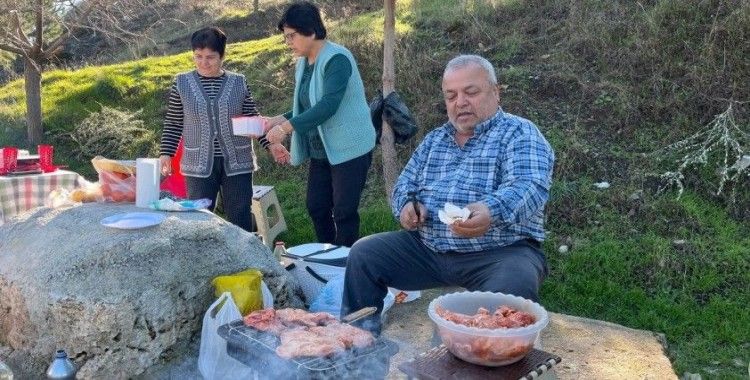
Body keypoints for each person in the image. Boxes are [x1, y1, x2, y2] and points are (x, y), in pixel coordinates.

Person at [341, 55, 555, 334]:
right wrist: (406, 206)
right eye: (451, 95)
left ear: (496, 92)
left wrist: (490, 211)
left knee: (513, 287)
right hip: (428, 250)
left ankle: (487, 362)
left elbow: (530, 185)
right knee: (365, 253)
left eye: (471, 92)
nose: (460, 102)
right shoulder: (435, 140)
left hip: (500, 252)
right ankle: (357, 341)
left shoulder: (519, 133)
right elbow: (405, 185)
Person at [264, 1, 376, 247]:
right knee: (316, 206)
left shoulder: (337, 59)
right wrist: (280, 118)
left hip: (349, 146)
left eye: (292, 36)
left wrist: (285, 128)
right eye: (286, 37)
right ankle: (328, 254)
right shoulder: (304, 63)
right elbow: (307, 104)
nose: (288, 42)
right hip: (322, 148)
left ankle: (346, 264)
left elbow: (328, 105)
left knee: (344, 212)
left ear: (311, 31)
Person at [159, 27, 290, 232]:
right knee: (199, 218)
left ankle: (245, 261)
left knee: (239, 215)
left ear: (222, 55)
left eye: (210, 57)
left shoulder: (238, 82)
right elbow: (174, 122)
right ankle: (206, 262)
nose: (204, 62)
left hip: (237, 161)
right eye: (198, 56)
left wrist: (270, 145)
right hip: (197, 164)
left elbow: (252, 120)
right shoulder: (182, 83)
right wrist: (166, 153)